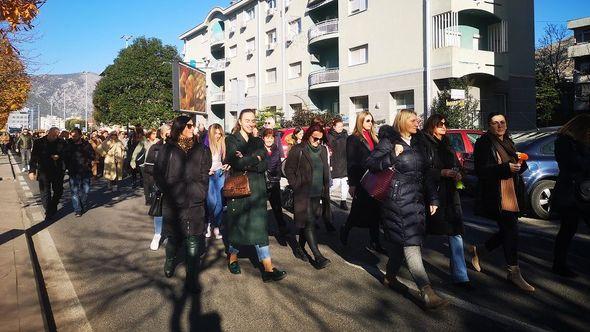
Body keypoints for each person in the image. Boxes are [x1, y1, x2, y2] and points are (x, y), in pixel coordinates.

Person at [366, 110, 447, 310]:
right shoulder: (388, 141)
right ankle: (427, 291)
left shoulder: (419, 142)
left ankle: (390, 277)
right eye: (413, 120)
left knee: (397, 246)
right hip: (396, 201)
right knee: (410, 243)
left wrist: (433, 198)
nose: (417, 122)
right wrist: (393, 155)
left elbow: (426, 173)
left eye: (418, 120)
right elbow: (372, 164)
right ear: (402, 122)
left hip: (416, 199)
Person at [472, 112, 534, 292]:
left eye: (502, 122)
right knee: (511, 230)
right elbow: (481, 171)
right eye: (495, 123)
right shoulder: (484, 143)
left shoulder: (508, 141)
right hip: (496, 193)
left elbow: (516, 166)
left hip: (511, 190)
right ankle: (513, 272)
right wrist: (505, 168)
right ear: (489, 126)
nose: (500, 126)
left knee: (508, 230)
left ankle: (480, 250)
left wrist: (520, 166)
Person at [225, 109, 286, 282]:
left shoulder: (258, 140)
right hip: (240, 189)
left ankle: (267, 268)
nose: (251, 123)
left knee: (259, 228)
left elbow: (264, 164)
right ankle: (232, 257)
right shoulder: (231, 139)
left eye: (253, 120)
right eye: (247, 120)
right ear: (240, 121)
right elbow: (235, 162)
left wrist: (249, 159)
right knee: (240, 226)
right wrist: (255, 158)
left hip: (258, 190)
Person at [155, 116, 211, 293]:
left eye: (193, 126)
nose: (192, 129)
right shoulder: (167, 149)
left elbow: (205, 173)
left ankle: (191, 277)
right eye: (188, 126)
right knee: (174, 237)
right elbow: (157, 173)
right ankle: (170, 260)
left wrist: (201, 190)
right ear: (179, 128)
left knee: (193, 238)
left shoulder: (202, 149)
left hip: (195, 201)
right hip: (174, 201)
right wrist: (169, 191)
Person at [423, 114, 471, 288]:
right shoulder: (424, 143)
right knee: (422, 231)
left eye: (445, 123)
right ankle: (404, 261)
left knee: (455, 232)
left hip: (450, 194)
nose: (444, 126)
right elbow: (423, 170)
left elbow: (455, 164)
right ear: (432, 126)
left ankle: (461, 276)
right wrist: (441, 173)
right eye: (440, 124)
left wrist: (459, 172)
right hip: (432, 194)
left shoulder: (447, 143)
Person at [284, 125, 333, 269]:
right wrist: (295, 185)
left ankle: (299, 248)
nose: (318, 141)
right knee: (310, 222)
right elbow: (289, 169)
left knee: (308, 222)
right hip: (303, 193)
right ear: (308, 135)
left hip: (319, 193)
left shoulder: (323, 150)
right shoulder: (298, 149)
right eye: (315, 138)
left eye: (321, 138)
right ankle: (318, 257)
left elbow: (325, 169)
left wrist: (326, 188)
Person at [340, 111, 386, 254]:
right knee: (356, 212)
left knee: (375, 212)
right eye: (367, 121)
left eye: (371, 121)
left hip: (375, 179)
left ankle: (375, 242)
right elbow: (351, 162)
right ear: (360, 122)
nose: (370, 123)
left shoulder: (375, 138)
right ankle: (345, 230)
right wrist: (352, 184)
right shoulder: (353, 139)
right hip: (362, 180)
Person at [551, 114, 590, 278]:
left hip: (579, 192)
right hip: (572, 193)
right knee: (568, 229)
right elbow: (576, 164)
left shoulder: (573, 142)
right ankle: (559, 264)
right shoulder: (566, 142)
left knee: (568, 229)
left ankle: (559, 264)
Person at [28, 127, 67, 220]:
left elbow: (67, 154)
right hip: (44, 170)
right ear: (48, 133)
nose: (54, 137)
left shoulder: (62, 142)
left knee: (58, 191)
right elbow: (34, 157)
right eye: (52, 135)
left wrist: (59, 156)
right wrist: (32, 170)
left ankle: (52, 207)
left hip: (58, 171)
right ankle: (49, 211)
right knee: (45, 192)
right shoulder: (39, 142)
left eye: (56, 136)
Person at [144, 124, 171, 250]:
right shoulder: (155, 148)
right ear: (162, 134)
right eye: (168, 131)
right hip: (160, 185)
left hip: (175, 186)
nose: (170, 133)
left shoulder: (178, 148)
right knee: (159, 212)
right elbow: (148, 167)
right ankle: (157, 234)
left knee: (173, 211)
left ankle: (173, 235)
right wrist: (154, 182)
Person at [205, 123, 229, 239]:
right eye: (216, 133)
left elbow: (226, 159)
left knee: (219, 202)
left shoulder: (222, 143)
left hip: (220, 174)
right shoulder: (206, 144)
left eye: (220, 134)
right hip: (209, 175)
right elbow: (200, 161)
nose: (218, 136)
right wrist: (206, 170)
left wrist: (225, 165)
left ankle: (216, 226)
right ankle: (209, 224)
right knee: (211, 202)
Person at [65, 128, 95, 217]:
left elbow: (92, 155)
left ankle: (83, 204)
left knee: (86, 191)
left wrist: (88, 160)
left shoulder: (86, 144)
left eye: (75, 136)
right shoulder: (68, 144)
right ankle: (77, 210)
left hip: (85, 171)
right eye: (72, 135)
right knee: (74, 192)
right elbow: (64, 155)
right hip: (73, 171)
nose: (73, 137)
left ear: (80, 135)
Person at [326, 118, 349, 210]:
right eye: (338, 126)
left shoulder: (345, 134)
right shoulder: (330, 135)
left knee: (345, 182)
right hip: (335, 161)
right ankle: (326, 194)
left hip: (345, 160)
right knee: (335, 183)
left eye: (342, 126)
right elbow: (331, 146)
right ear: (334, 127)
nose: (341, 128)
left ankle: (343, 201)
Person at [131, 128, 158, 203]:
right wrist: (133, 161)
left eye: (155, 133)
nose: (155, 135)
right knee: (146, 182)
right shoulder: (144, 141)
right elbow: (136, 151)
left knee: (154, 182)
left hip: (155, 164)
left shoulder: (158, 141)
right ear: (149, 134)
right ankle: (148, 199)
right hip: (145, 164)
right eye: (153, 133)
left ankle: (154, 197)